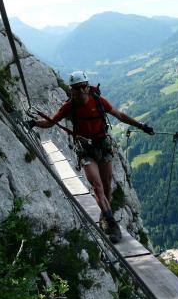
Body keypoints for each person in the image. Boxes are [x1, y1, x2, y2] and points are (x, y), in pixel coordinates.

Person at [28, 71, 154, 243]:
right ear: (71, 90)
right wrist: (34, 123)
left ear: (88, 87)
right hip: (85, 149)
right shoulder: (69, 106)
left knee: (107, 189)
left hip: (102, 146)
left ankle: (104, 216)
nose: (80, 91)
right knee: (97, 187)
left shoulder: (98, 101)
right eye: (75, 88)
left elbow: (120, 115)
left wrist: (141, 125)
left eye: (82, 87)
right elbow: (50, 122)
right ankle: (112, 225)